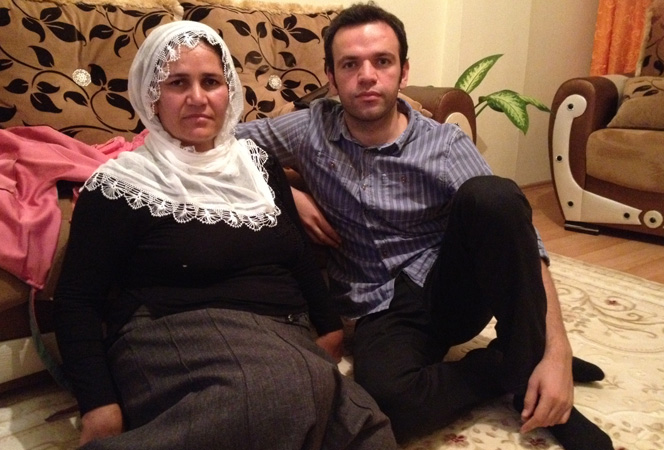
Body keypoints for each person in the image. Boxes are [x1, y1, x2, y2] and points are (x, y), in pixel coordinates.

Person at [235, 3, 613, 449]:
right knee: (389, 404)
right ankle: (508, 366)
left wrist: (558, 351)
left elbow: (524, 244)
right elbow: (222, 146)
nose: (367, 76)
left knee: (492, 195)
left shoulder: (444, 145)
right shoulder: (309, 130)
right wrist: (285, 192)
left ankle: (537, 368)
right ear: (332, 78)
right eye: (350, 64)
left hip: (448, 290)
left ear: (404, 71)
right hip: (377, 304)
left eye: (382, 61)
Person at [53, 20, 397, 450]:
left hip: (283, 335)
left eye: (211, 82)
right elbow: (76, 300)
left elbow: (297, 254)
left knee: (368, 430)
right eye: (178, 83)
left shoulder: (257, 165)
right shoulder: (121, 185)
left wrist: (328, 325)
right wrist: (98, 404)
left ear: (229, 90)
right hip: (174, 334)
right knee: (278, 395)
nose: (198, 98)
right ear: (152, 95)